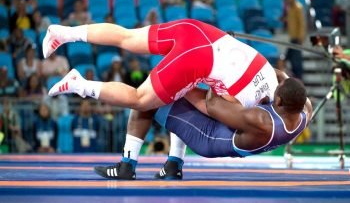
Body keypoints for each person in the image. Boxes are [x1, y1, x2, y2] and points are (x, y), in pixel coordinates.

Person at [43, 19, 281, 178]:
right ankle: (80, 84)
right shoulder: (241, 105)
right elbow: (205, 104)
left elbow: (285, 79)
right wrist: (177, 85)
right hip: (197, 56)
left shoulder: (273, 78)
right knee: (140, 99)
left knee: (126, 38)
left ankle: (64, 32)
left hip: (202, 31)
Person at [94, 75, 313, 180]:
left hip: (209, 137)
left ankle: (127, 167)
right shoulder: (305, 111)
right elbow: (280, 76)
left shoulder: (262, 121)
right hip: (229, 132)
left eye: (278, 91)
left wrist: (211, 71)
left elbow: (213, 104)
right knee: (175, 93)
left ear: (280, 102)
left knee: (147, 101)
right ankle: (173, 166)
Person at [284, 0, 305, 80]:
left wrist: (301, 36)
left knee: (296, 61)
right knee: (290, 59)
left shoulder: (298, 7)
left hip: (297, 38)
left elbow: (302, 23)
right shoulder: (290, 7)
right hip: (291, 37)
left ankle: (299, 79)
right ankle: (294, 79)